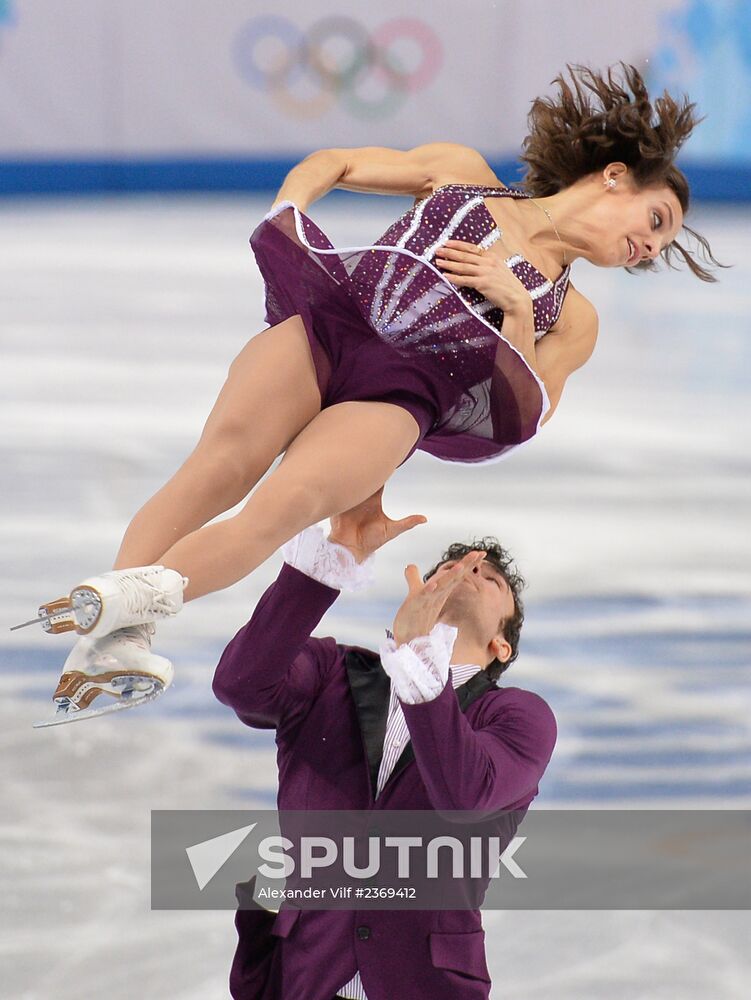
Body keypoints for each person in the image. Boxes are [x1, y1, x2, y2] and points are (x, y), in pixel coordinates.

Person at [23, 62, 721, 723]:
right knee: (217, 469)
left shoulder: (573, 318)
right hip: (333, 322)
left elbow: (523, 413)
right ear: (614, 176)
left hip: (400, 397)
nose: (650, 247)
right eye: (655, 221)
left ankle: (119, 607)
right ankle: (113, 640)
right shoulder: (464, 176)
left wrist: (513, 306)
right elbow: (339, 162)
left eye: (660, 248)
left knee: (279, 508)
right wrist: (290, 208)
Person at [212, 485, 557, 1000]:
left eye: (491, 579)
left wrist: (420, 657)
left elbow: (465, 796)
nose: (469, 571)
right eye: (454, 566)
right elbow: (241, 685)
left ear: (500, 645)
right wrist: (323, 570)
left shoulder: (515, 717)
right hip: (301, 978)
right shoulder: (334, 673)